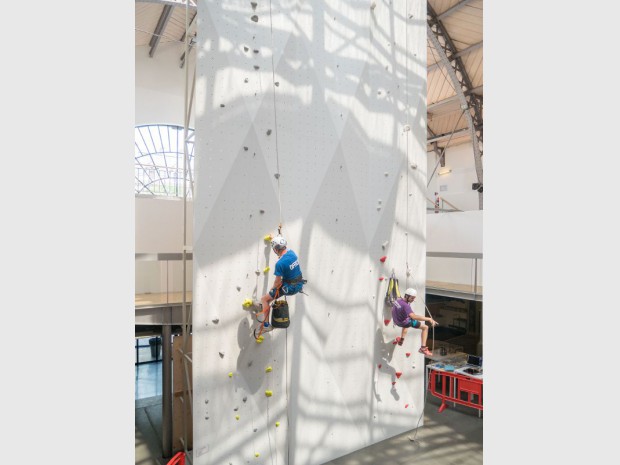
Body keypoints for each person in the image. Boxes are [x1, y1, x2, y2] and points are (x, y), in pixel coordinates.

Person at [258, 235, 305, 322]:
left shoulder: (280, 264)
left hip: (290, 288)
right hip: (299, 284)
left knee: (264, 299)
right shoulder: (292, 253)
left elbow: (277, 283)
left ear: (275, 249)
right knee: (272, 295)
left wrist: (271, 290)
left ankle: (266, 325)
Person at [391, 288, 437, 356]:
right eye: (412, 298)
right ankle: (423, 348)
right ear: (407, 296)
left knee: (407, 318)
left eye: (414, 298)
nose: (413, 300)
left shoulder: (398, 300)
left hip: (396, 320)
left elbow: (396, 309)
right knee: (425, 327)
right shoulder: (406, 306)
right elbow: (414, 317)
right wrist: (429, 319)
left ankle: (401, 340)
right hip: (404, 322)